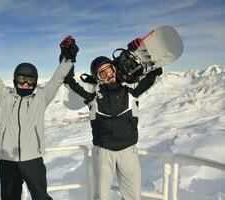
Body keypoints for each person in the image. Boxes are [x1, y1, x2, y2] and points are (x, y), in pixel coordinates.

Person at [0, 31, 79, 200]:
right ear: (15, 80)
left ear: (35, 82)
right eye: (22, 79)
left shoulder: (40, 99)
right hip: (8, 160)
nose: (26, 84)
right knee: (10, 198)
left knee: (41, 197)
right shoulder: (5, 98)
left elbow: (57, 79)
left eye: (30, 80)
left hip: (33, 160)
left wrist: (68, 59)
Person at [64, 39, 163, 200]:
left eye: (109, 70)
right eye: (102, 73)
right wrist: (68, 56)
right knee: (102, 196)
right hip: (103, 152)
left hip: (128, 151)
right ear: (97, 78)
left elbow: (155, 74)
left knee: (133, 195)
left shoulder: (131, 90)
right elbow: (69, 82)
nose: (108, 75)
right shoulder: (92, 95)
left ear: (115, 69)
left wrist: (142, 53)